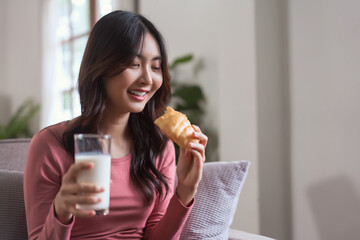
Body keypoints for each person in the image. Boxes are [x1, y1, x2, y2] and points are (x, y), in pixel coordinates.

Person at [24, 10, 207, 240]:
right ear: (102, 67)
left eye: (155, 67)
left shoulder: (159, 147)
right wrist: (61, 210)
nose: (148, 80)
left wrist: (185, 192)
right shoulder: (50, 145)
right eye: (134, 63)